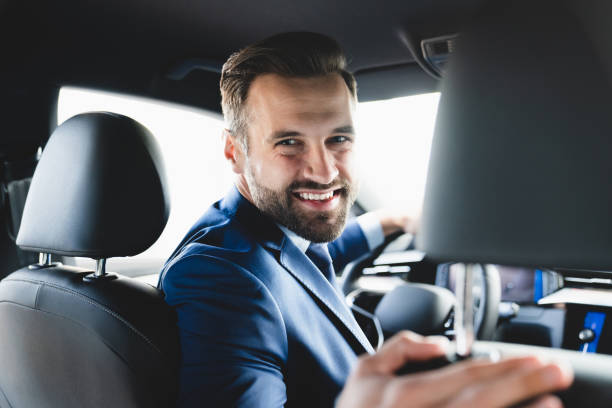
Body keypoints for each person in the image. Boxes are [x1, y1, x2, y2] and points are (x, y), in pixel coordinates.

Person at [159, 32, 573, 408]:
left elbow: (316, 253)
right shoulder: (219, 278)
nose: (323, 172)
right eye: (289, 143)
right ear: (235, 152)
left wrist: (392, 220)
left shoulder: (269, 226)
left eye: (338, 139)